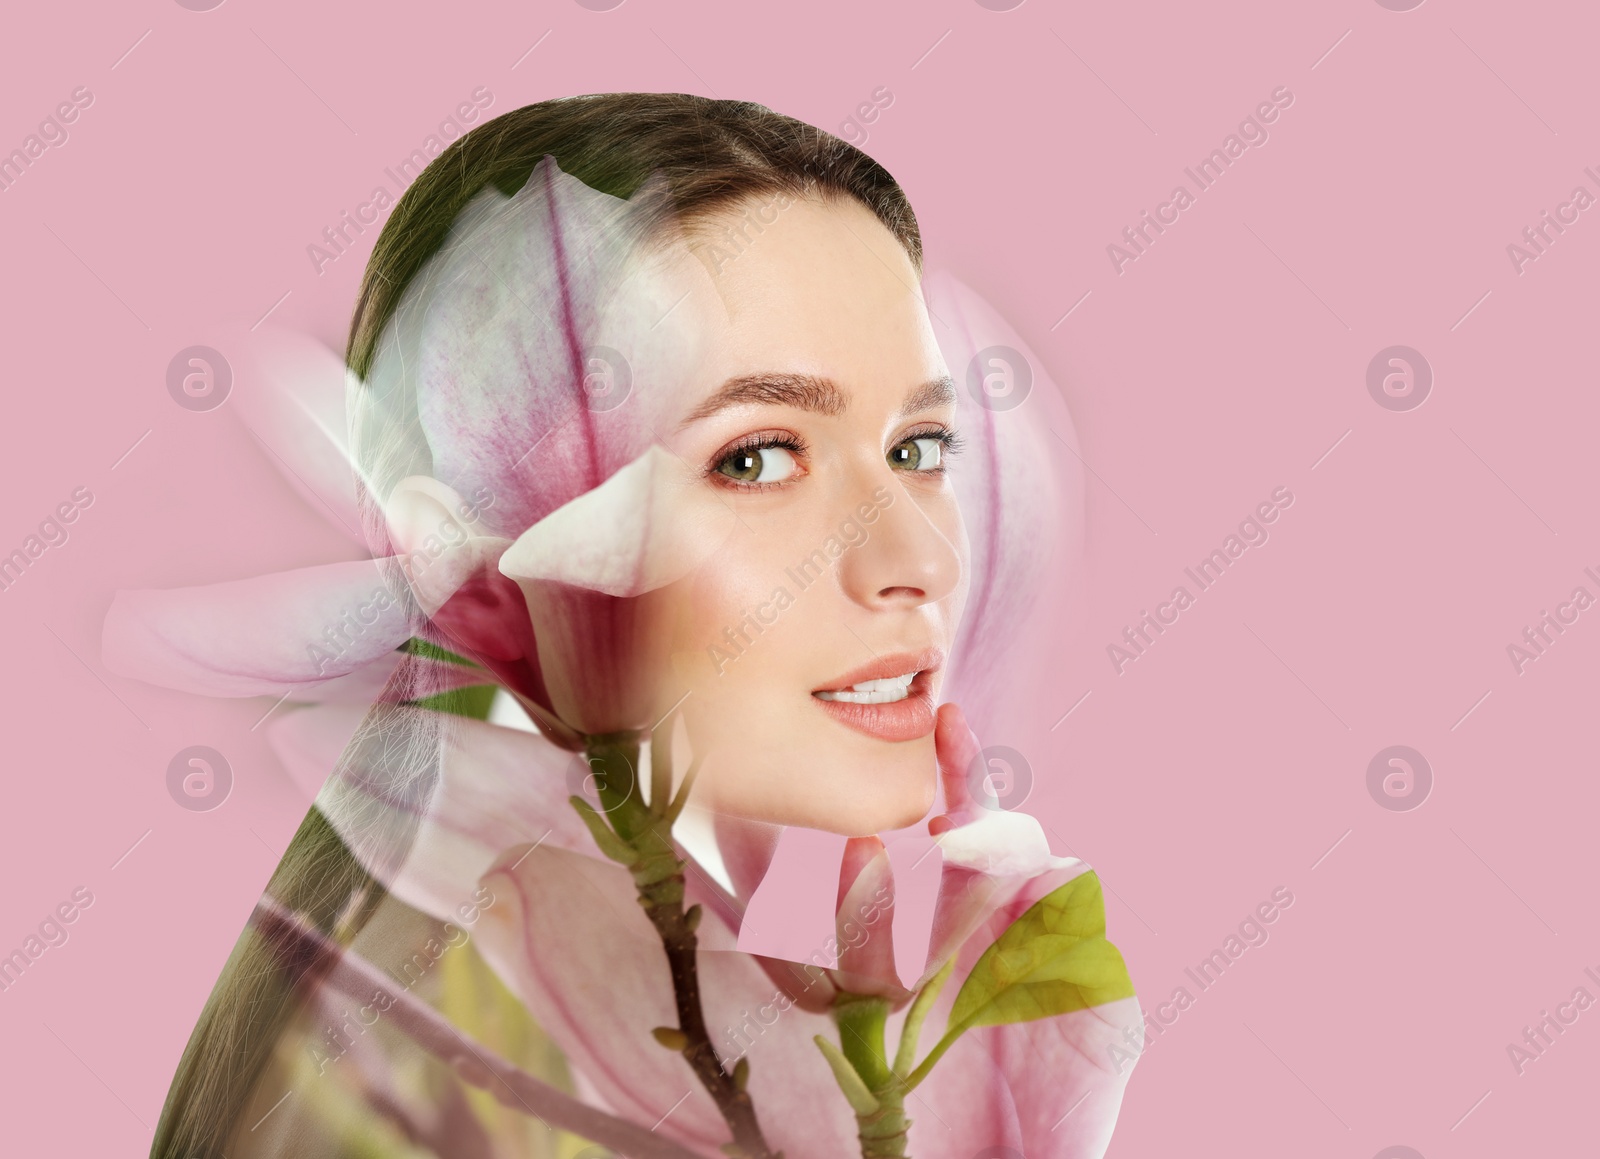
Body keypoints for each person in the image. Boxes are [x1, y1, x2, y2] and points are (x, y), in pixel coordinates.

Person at [108, 93, 1135, 1158]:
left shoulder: (630, 937)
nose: (921, 562)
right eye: (755, 456)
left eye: (918, 447)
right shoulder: (422, 1069)